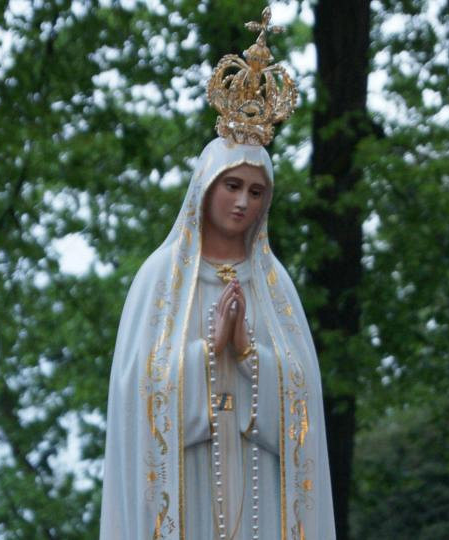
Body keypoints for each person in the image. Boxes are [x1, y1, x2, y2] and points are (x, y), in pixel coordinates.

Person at [99, 8, 335, 540]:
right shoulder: (161, 279)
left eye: (256, 191)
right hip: (188, 488)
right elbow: (137, 396)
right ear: (205, 188)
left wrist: (248, 352)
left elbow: (302, 410)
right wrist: (209, 350)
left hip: (261, 497)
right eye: (232, 186)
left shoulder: (274, 287)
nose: (242, 202)